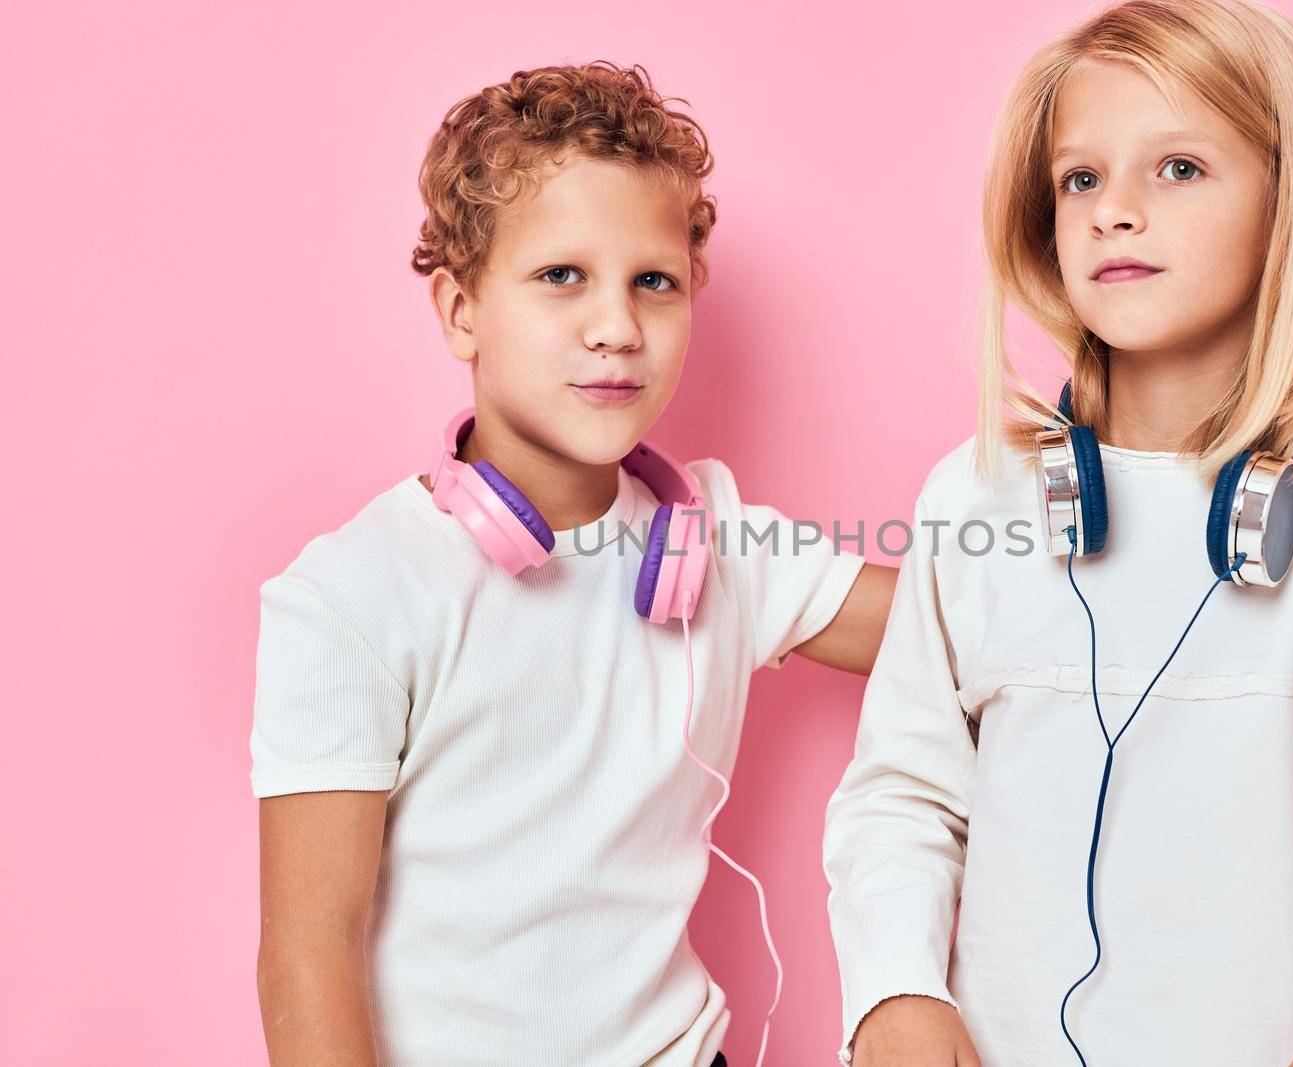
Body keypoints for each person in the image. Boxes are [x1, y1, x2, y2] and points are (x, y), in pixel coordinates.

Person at [822, 3, 1293, 1065]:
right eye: (1080, 178)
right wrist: (894, 994)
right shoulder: (974, 503)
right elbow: (901, 797)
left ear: (1289, 209)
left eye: (1179, 168)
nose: (1115, 212)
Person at [251, 62, 894, 1067]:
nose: (616, 327)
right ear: (461, 309)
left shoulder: (713, 539)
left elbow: (964, 627)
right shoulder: (351, 596)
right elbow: (307, 952)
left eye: (654, 281)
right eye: (562, 276)